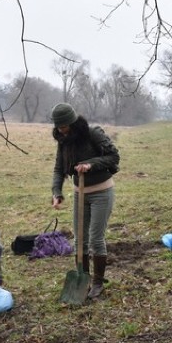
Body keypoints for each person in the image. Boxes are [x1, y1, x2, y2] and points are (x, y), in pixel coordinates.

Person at [50, 103, 120, 299]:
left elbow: (114, 156)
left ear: (73, 122)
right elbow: (58, 169)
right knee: (79, 240)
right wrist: (57, 192)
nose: (61, 130)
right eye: (58, 127)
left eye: (64, 126)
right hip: (80, 193)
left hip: (101, 192)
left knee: (96, 239)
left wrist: (91, 164)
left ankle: (98, 282)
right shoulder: (63, 141)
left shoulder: (92, 134)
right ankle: (83, 278)